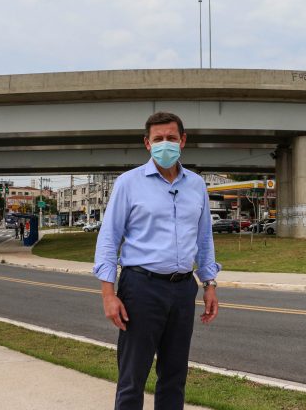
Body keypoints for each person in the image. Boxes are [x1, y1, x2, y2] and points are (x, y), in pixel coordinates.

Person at [93, 112, 220, 410]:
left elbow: (204, 239)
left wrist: (209, 284)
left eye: (172, 138)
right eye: (159, 139)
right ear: (147, 143)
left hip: (182, 289)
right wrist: (108, 294)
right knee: (132, 378)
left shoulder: (197, 185)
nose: (166, 144)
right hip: (141, 288)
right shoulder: (128, 183)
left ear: (183, 141)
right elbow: (109, 238)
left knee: (174, 377)